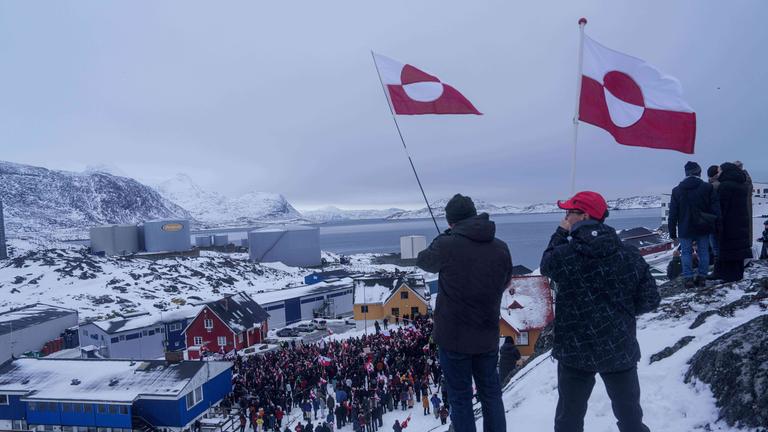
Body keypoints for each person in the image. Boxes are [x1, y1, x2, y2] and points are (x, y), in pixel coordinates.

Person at [540, 191, 661, 432]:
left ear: (583, 215)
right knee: (630, 418)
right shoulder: (628, 254)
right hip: (619, 346)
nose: (565, 216)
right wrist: (621, 314)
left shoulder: (566, 255)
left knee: (569, 419)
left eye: (569, 212)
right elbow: (650, 299)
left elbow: (546, 264)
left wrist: (561, 232)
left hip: (575, 349)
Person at [417, 194, 513, 432]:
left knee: (461, 399)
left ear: (452, 222)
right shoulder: (501, 247)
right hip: (487, 334)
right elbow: (505, 281)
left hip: (454, 337)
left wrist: (445, 236)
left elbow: (423, 261)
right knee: (491, 395)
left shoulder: (446, 244)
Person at [668, 161, 720, 288]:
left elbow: (673, 213)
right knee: (703, 252)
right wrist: (716, 225)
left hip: (685, 228)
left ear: (686, 173)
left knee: (685, 253)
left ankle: (688, 278)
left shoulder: (677, 190)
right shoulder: (707, 188)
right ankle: (702, 277)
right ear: (699, 172)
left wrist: (672, 232)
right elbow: (715, 209)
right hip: (703, 226)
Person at [716, 162, 753, 282]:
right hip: (741, 220)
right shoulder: (742, 184)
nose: (719, 173)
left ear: (726, 171)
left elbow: (722, 206)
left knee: (729, 248)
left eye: (720, 170)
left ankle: (728, 276)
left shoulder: (725, 186)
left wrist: (718, 222)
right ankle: (738, 274)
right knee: (738, 249)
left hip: (729, 222)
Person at [707, 165, 722, 277]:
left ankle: (718, 271)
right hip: (719, 219)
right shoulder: (721, 185)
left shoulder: (711, 187)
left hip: (712, 220)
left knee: (715, 247)